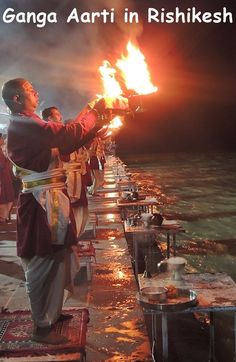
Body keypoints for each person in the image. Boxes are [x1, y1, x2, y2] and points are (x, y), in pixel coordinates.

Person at [2, 78, 128, 344]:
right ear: (16, 99)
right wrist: (93, 108)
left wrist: (99, 124)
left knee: (60, 258)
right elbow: (67, 134)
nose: (36, 93)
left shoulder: (30, 124)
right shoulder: (24, 124)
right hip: (39, 203)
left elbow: (69, 143)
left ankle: (53, 312)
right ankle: (41, 326)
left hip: (51, 199)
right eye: (30, 91)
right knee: (41, 262)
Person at [0, 134, 15, 222]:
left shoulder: (2, 150)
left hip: (5, 176)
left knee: (8, 195)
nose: (2, 139)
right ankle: (2, 216)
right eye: (1, 138)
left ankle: (3, 216)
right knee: (3, 195)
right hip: (2, 176)